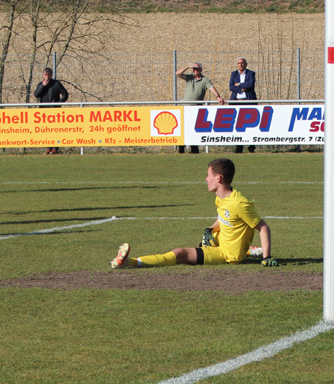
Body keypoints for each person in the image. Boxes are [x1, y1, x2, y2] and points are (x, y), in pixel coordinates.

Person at [110, 158, 278, 268]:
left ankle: (129, 262)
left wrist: (267, 257)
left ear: (218, 178)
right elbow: (225, 219)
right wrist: (211, 230)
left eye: (208, 175)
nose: (206, 179)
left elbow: (263, 228)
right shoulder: (221, 197)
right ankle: (250, 250)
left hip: (227, 254)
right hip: (221, 241)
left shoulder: (239, 203)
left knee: (180, 253)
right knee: (198, 246)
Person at [175, 62, 225, 154]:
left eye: (197, 69)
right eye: (193, 69)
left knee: (193, 129)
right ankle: (181, 148)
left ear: (201, 70)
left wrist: (218, 96)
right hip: (186, 108)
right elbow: (178, 73)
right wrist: (188, 66)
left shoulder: (204, 80)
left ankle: (194, 148)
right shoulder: (189, 77)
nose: (195, 70)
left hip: (196, 109)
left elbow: (212, 88)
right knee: (182, 129)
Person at [33, 67, 69, 154]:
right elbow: (36, 95)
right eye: (46, 75)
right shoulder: (40, 84)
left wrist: (58, 103)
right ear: (43, 75)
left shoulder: (56, 84)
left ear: (51, 75)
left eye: (49, 75)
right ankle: (49, 147)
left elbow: (65, 94)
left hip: (54, 111)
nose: (47, 77)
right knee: (46, 130)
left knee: (55, 130)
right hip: (44, 112)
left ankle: (55, 148)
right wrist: (42, 85)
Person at [228, 57, 257, 153]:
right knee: (238, 125)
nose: (240, 64)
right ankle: (239, 146)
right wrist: (241, 89)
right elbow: (231, 86)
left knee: (251, 124)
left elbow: (250, 85)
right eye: (239, 63)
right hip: (237, 101)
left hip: (248, 101)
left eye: (242, 63)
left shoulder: (251, 73)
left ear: (246, 64)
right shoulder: (234, 74)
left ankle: (251, 146)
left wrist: (239, 84)